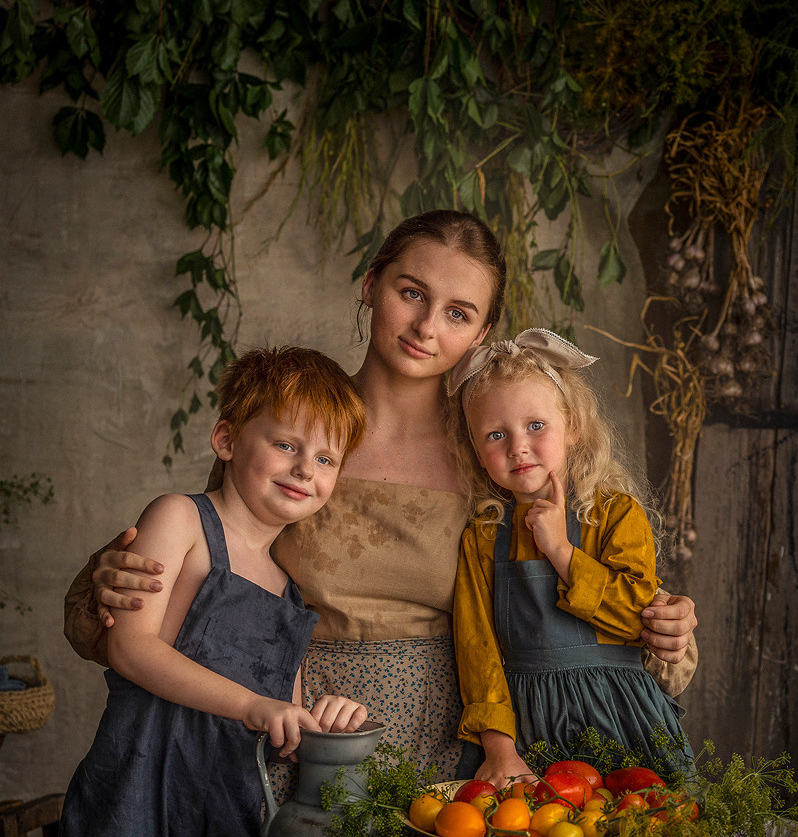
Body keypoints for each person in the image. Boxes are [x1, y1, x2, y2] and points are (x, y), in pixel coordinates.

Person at [62, 210, 698, 793]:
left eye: (458, 312)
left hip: (452, 751)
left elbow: (560, 609)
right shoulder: (298, 428)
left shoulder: (494, 458)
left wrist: (666, 630)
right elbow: (205, 574)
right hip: (292, 735)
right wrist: (116, 580)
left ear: (482, 332)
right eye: (411, 293)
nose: (426, 327)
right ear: (371, 286)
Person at [0, 346, 368, 837]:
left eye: (325, 460)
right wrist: (256, 708)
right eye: (286, 444)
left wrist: (321, 718)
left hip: (226, 797)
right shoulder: (183, 519)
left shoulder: (290, 589)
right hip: (141, 776)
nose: (303, 470)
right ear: (227, 439)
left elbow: (285, 719)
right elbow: (131, 648)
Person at [450, 328, 693, 786]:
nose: (517, 446)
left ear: (574, 427)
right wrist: (500, 751)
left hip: (623, 714)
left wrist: (561, 551)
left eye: (535, 426)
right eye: (495, 434)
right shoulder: (481, 537)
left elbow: (636, 618)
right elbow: (476, 649)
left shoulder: (617, 514)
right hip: (528, 727)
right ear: (476, 451)